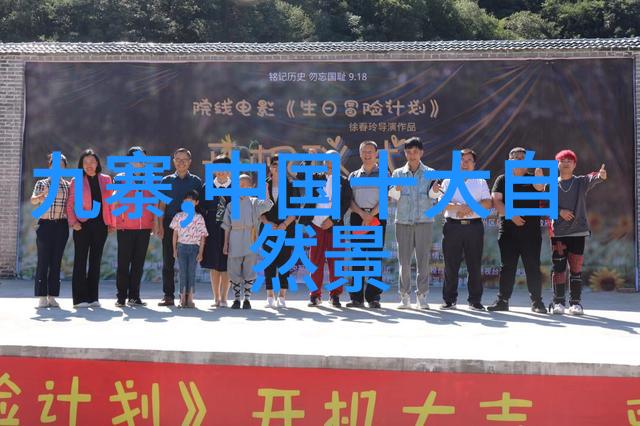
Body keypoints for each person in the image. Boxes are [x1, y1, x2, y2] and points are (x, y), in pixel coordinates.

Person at [488, 147, 547, 314]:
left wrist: (540, 178)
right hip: (508, 232)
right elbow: (496, 201)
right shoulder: (502, 179)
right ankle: (502, 301)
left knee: (533, 267)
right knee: (507, 267)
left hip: (531, 233)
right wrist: (511, 214)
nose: (520, 160)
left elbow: (540, 188)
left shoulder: (532, 178)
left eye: (523, 158)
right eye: (516, 158)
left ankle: (537, 302)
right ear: (509, 161)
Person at [549, 150, 606, 315]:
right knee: (558, 269)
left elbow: (595, 177)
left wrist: (601, 175)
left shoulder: (581, 181)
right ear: (557, 164)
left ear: (574, 165)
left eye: (569, 160)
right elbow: (544, 205)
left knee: (575, 269)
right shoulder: (550, 184)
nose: (566, 163)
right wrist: (560, 211)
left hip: (578, 232)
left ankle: (575, 303)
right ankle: (558, 302)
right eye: (563, 160)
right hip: (558, 233)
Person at [439, 148, 492, 311]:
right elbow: (442, 203)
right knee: (451, 265)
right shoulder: (448, 181)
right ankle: (449, 300)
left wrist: (469, 207)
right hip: (452, 227)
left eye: (469, 160)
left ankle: (475, 300)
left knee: (474, 265)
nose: (465, 163)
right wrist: (459, 207)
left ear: (474, 164)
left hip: (474, 226)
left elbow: (487, 203)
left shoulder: (480, 181)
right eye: (462, 160)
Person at [389, 137, 438, 309]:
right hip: (403, 222)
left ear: (421, 153)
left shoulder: (431, 172)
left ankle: (422, 296)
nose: (412, 155)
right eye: (409, 152)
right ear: (405, 153)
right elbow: (393, 196)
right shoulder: (398, 173)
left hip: (424, 221)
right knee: (404, 262)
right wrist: (396, 189)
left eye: (415, 152)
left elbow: (434, 196)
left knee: (423, 261)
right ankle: (404, 296)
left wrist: (435, 190)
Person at [301, 150, 353, 307]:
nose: (329, 163)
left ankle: (335, 295)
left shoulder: (343, 181)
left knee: (336, 262)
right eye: (327, 160)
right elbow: (301, 175)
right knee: (315, 261)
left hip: (334, 226)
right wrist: (308, 159)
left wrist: (332, 220)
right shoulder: (316, 177)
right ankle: (315, 295)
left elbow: (345, 203)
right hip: (315, 224)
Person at [67, 149, 115, 308]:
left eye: (92, 162)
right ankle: (79, 299)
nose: (89, 165)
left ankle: (93, 298)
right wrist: (73, 222)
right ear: (81, 164)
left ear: (97, 164)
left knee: (96, 261)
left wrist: (111, 223)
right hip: (82, 226)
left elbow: (110, 203)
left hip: (101, 226)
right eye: (86, 162)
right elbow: (70, 204)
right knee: (80, 261)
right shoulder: (77, 180)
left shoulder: (106, 179)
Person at [156, 148, 202, 307]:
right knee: (168, 260)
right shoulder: (166, 181)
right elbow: (161, 205)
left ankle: (187, 295)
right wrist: (159, 225)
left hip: (190, 226)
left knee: (188, 263)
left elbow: (199, 206)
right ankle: (168, 295)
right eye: (178, 159)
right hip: (170, 224)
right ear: (173, 161)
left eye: (184, 160)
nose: (181, 162)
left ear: (190, 162)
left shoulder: (196, 181)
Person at [221, 174, 273, 309]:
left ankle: (247, 299)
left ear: (250, 187)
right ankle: (237, 298)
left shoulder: (254, 202)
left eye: (244, 185)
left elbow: (267, 205)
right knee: (234, 269)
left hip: (250, 237)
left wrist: (266, 190)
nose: (241, 188)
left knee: (249, 269)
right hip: (235, 237)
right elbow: (227, 226)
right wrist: (225, 244)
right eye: (239, 185)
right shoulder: (231, 205)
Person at [346, 141, 385, 309]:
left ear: (376, 154)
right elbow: (349, 200)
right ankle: (356, 298)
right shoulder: (353, 176)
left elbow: (386, 198)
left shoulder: (384, 174)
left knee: (375, 257)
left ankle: (373, 297)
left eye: (370, 151)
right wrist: (363, 215)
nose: (367, 154)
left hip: (377, 218)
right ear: (360, 154)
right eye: (364, 152)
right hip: (358, 218)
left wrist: (371, 215)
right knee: (358, 257)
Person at [113, 146, 153, 308]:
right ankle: (121, 297)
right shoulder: (120, 178)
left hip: (144, 228)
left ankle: (134, 296)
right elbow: (115, 200)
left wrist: (154, 223)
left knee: (138, 263)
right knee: (123, 263)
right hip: (126, 227)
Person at [31, 152, 70, 308]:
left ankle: (52, 296)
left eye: (61, 165)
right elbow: (33, 200)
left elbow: (71, 206)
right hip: (45, 225)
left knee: (56, 262)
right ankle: (41, 296)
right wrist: (40, 197)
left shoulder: (67, 185)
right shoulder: (42, 183)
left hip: (61, 226)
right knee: (43, 261)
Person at [260, 154, 298, 309]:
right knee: (269, 262)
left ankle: (282, 295)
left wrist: (285, 224)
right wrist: (267, 222)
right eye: (273, 164)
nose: (276, 167)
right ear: (270, 167)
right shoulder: (264, 184)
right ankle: (270, 295)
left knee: (284, 261)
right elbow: (258, 209)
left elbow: (295, 209)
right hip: (268, 229)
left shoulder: (291, 185)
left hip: (286, 229)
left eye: (279, 165)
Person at [200, 155, 231, 308]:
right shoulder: (207, 187)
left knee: (226, 265)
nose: (220, 171)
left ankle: (224, 298)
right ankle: (216, 297)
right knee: (214, 264)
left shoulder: (235, 187)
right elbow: (201, 208)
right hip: (211, 228)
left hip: (229, 229)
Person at [170, 190, 208, 308]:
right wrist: (174, 249)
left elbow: (202, 237)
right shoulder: (178, 216)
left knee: (191, 272)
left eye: (191, 201)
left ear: (196, 202)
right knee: (182, 273)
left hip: (194, 248)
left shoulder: (199, 218)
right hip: (181, 247)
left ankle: (190, 297)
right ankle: (182, 298)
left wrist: (201, 252)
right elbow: (175, 235)